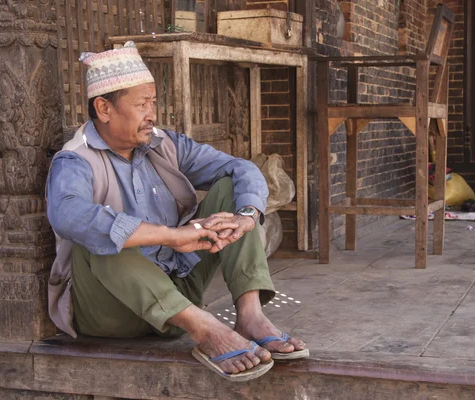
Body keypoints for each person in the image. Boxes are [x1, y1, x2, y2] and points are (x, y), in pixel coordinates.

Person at [46, 41, 308, 382]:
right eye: (141, 104)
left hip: (176, 299)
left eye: (153, 103)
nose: (151, 113)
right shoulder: (75, 159)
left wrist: (246, 216)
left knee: (230, 188)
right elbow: (69, 215)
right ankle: (206, 328)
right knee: (99, 235)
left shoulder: (162, 144)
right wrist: (173, 236)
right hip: (111, 312)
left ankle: (250, 314)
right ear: (104, 108)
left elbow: (240, 168)